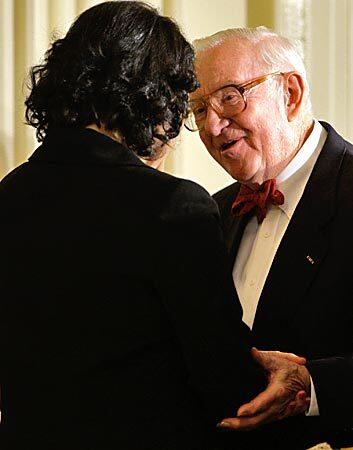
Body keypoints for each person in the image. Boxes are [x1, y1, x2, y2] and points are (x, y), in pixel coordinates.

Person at [0, 6, 309, 450]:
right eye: (189, 102)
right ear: (155, 97)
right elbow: (228, 389)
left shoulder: (9, 194)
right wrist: (270, 371)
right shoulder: (172, 207)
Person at [188, 26, 353, 449]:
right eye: (199, 108)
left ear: (291, 94)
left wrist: (313, 385)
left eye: (230, 96)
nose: (213, 124)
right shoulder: (213, 210)